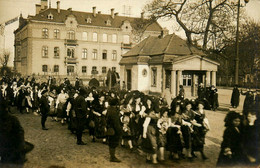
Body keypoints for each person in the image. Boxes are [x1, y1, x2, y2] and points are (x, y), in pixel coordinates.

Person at [0, 98, 34, 165]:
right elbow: (20, 134)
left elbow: (19, 134)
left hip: (10, 152)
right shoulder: (12, 119)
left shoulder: (12, 120)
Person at [106, 98, 122, 162]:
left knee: (111, 142)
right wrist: (119, 131)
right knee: (113, 143)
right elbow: (116, 123)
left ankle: (112, 156)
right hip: (114, 129)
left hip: (110, 128)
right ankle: (112, 157)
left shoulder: (109, 109)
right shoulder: (114, 111)